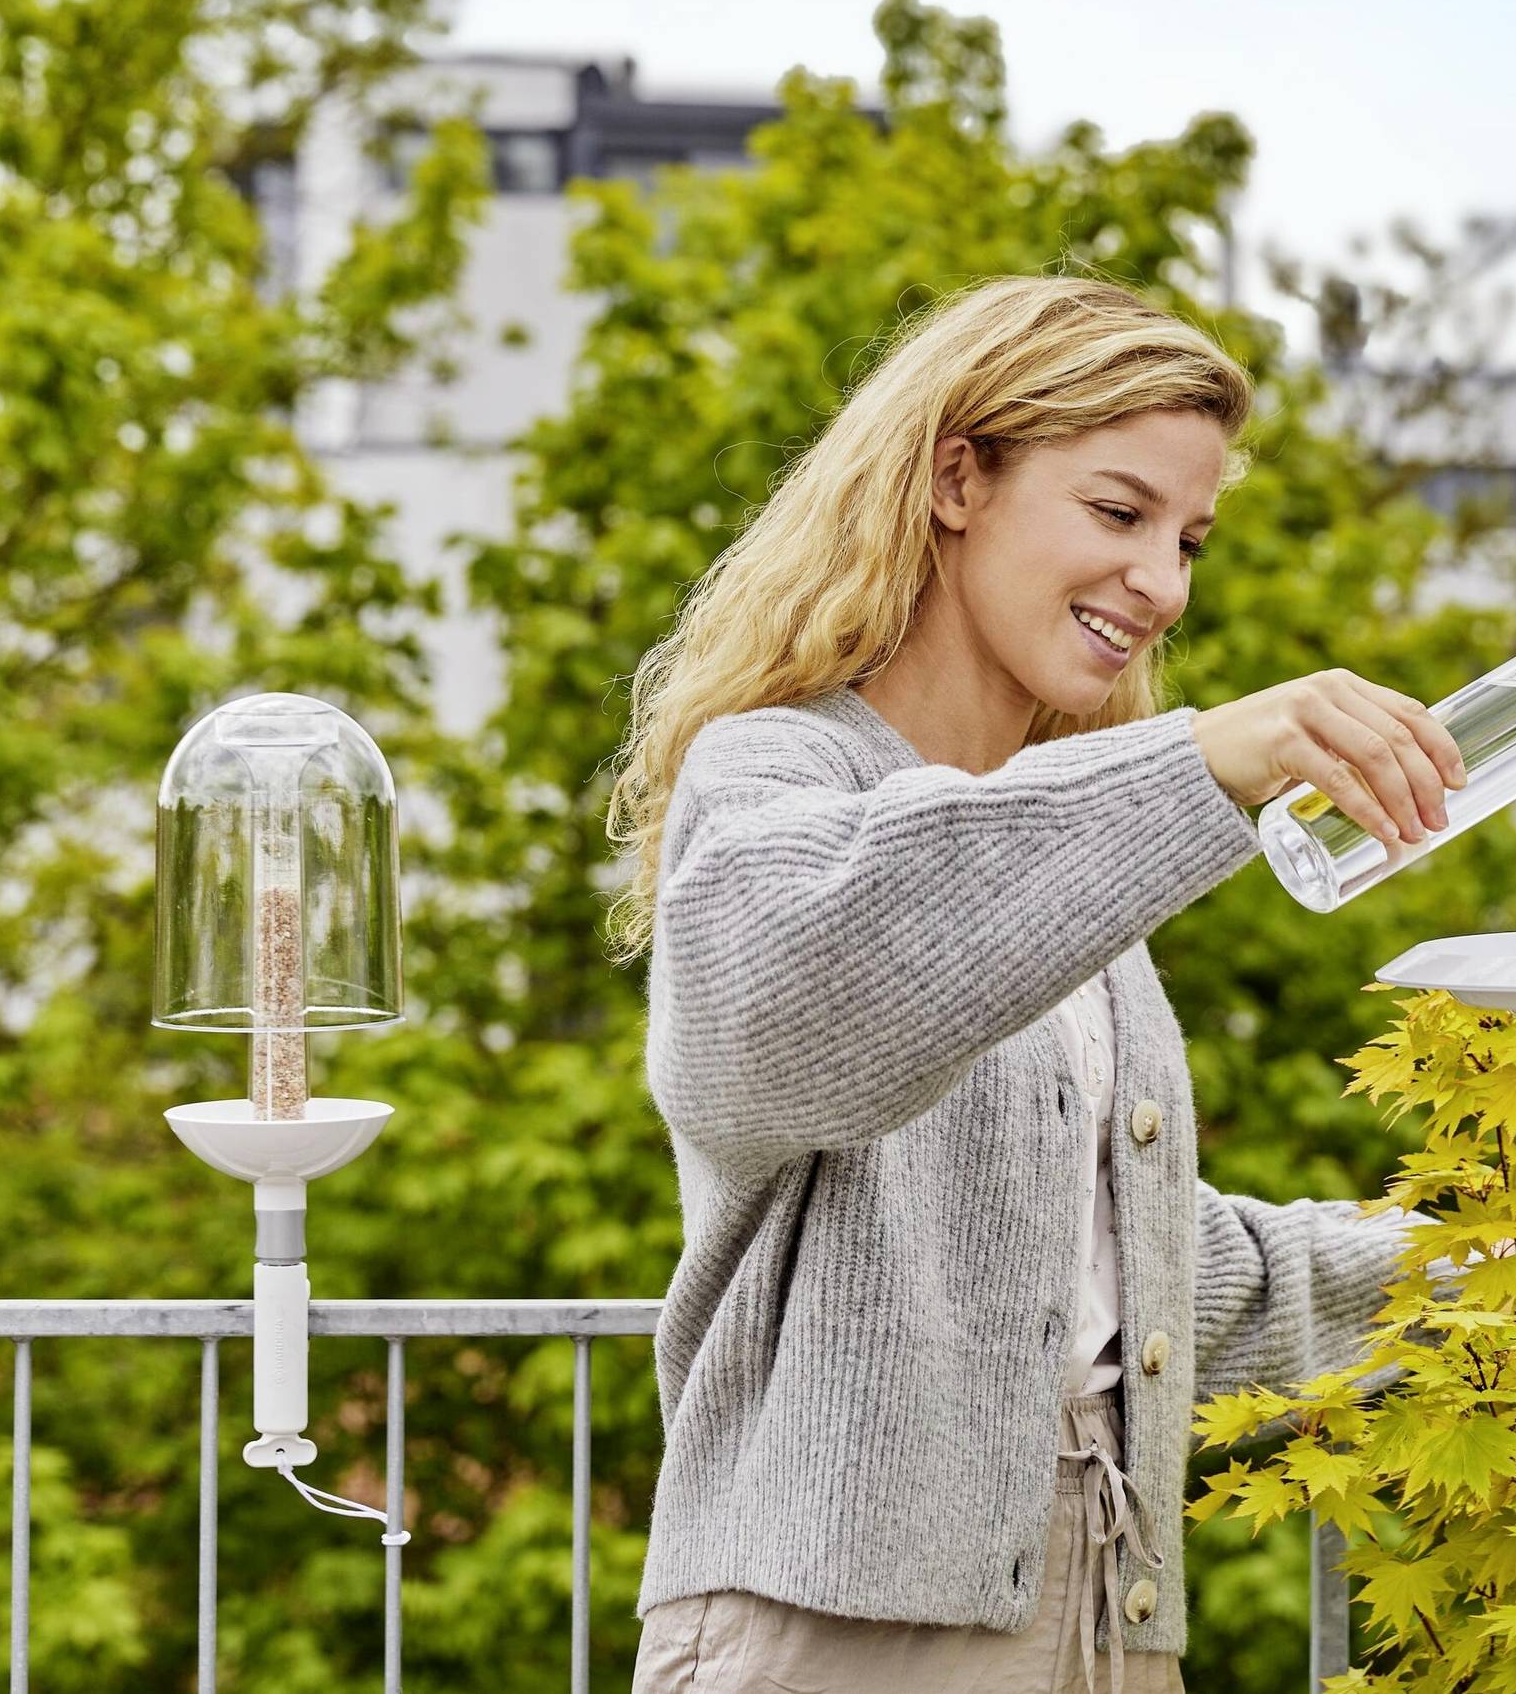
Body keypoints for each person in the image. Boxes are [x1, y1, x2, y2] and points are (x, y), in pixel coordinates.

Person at [609, 275, 1468, 1694]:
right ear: (959, 478)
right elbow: (810, 1012)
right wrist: (1200, 760)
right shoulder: (771, 779)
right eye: (1120, 515)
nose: (1164, 584)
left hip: (1101, 1619)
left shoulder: (1067, 863)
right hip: (833, 1640)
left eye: (1188, 539)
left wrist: (1486, 1264)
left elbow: (1138, 1272)